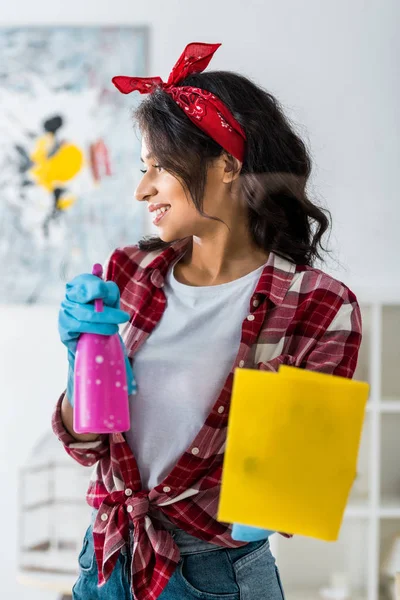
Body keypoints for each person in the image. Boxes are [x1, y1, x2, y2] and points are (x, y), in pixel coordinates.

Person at [53, 42, 362, 600]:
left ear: (226, 163)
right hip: (105, 561)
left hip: (214, 577)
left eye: (160, 169)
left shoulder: (319, 304)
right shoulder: (129, 273)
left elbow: (294, 492)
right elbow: (86, 446)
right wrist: (83, 362)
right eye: (142, 170)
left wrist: (288, 452)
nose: (142, 190)